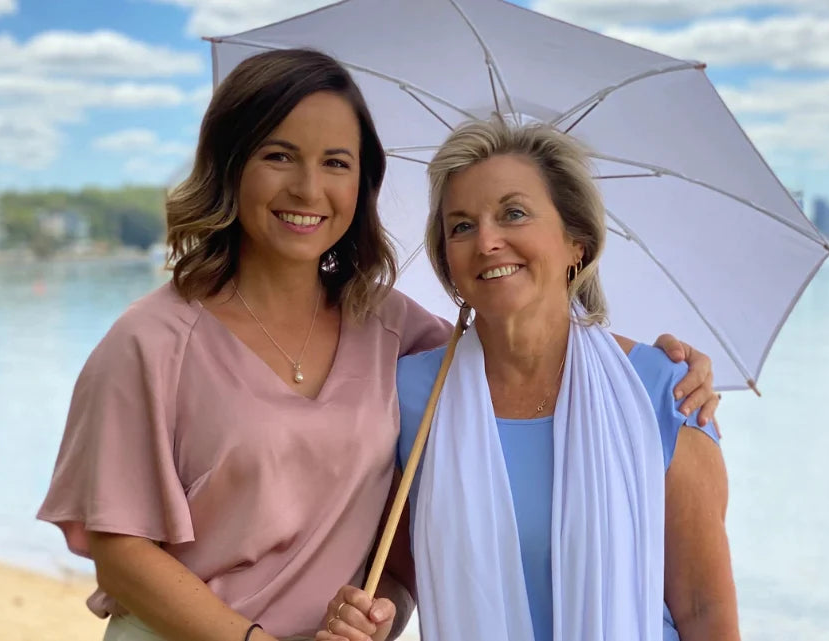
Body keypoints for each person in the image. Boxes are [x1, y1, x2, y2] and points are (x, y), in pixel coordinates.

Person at [37, 50, 721, 641]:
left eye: (336, 162)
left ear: (360, 186)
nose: (308, 188)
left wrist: (664, 367)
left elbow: (517, 344)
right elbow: (118, 547)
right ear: (230, 166)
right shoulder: (151, 340)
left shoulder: (397, 335)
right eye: (278, 155)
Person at [319, 118, 738, 641]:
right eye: (462, 226)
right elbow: (399, 576)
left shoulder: (662, 391)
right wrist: (374, 620)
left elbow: (704, 611)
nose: (487, 241)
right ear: (449, 264)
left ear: (576, 242)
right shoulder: (412, 398)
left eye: (513, 213)